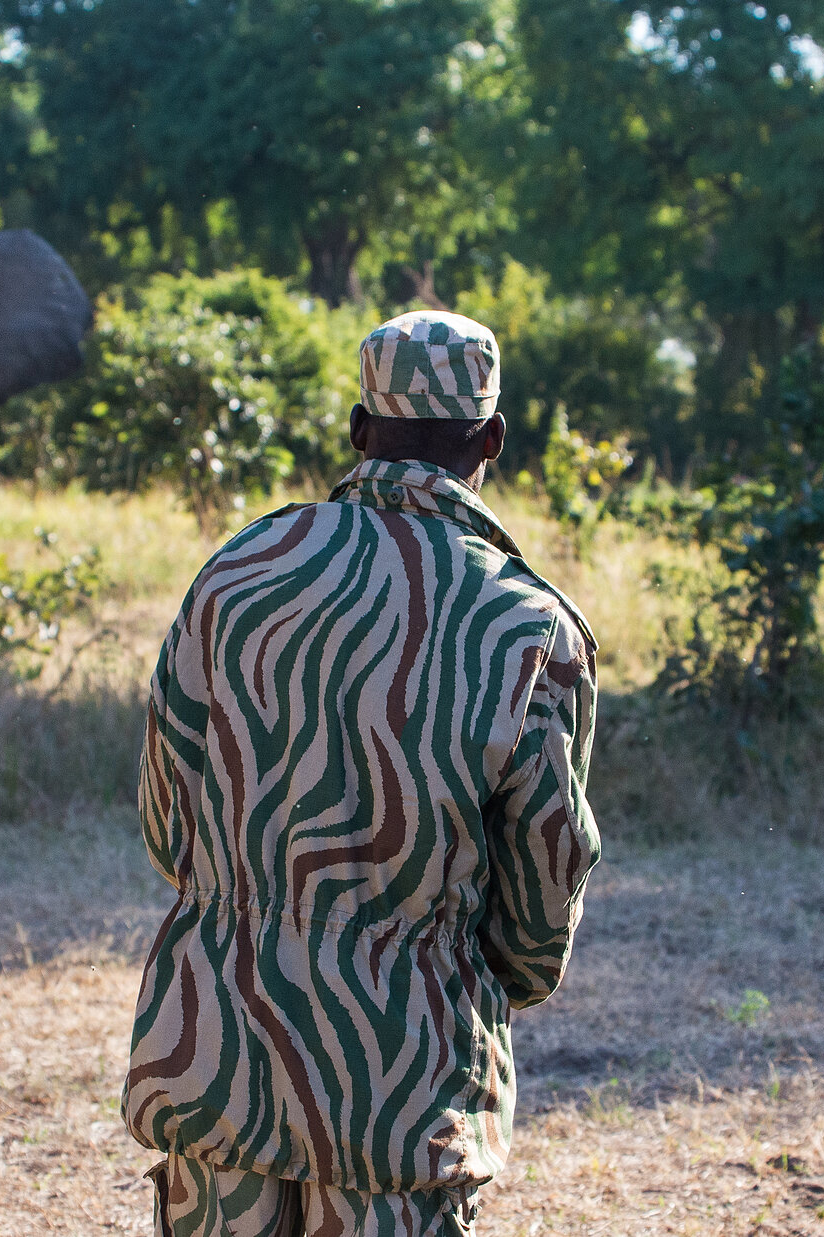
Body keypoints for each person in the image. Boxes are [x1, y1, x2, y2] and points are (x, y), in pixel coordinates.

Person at [125, 310, 601, 1236]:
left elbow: (166, 822)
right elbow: (544, 885)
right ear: (494, 438)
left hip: (217, 1062)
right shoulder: (528, 625)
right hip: (403, 1095)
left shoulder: (234, 574)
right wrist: (460, 979)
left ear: (357, 427)